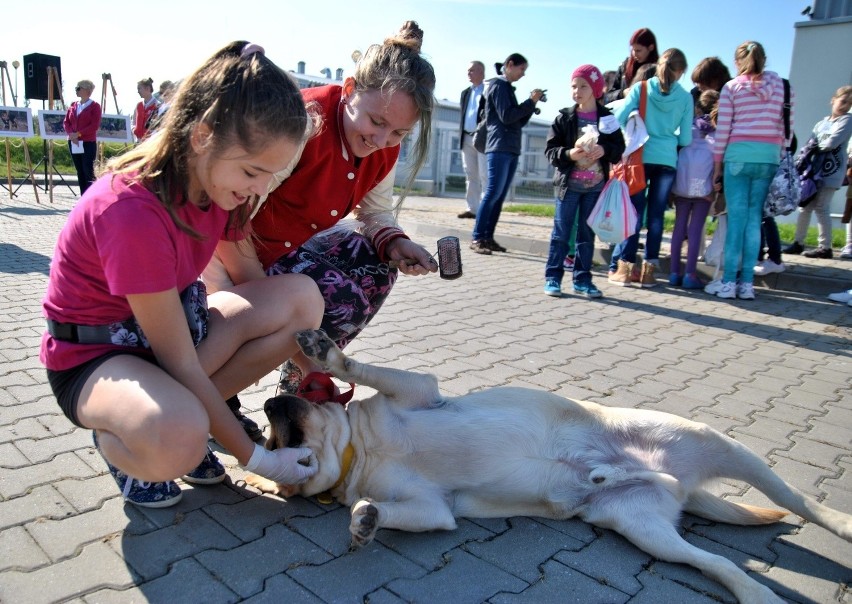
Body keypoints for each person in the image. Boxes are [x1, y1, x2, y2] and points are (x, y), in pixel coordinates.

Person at [40, 41, 322, 508]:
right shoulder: (131, 211)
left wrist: (309, 356)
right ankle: (128, 439)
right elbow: (180, 363)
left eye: (271, 174)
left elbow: (252, 283)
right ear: (201, 137)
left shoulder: (219, 188)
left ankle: (184, 418)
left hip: (171, 336)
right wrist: (256, 458)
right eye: (254, 171)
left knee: (302, 302)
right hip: (96, 357)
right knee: (179, 437)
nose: (260, 189)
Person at [202, 22, 438, 424]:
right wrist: (299, 340)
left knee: (373, 267)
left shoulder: (382, 148)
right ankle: (211, 403)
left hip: (276, 252)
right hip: (218, 255)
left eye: (399, 132)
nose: (382, 140)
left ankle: (295, 386)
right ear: (348, 91)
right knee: (257, 324)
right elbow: (228, 217)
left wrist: (395, 242)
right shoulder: (301, 124)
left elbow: (374, 211)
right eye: (376, 122)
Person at [705, 41, 793, 300]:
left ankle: (729, 282)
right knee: (755, 220)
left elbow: (723, 132)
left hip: (737, 157)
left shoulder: (732, 88)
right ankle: (747, 285)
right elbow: (787, 130)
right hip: (768, 159)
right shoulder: (783, 87)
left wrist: (717, 168)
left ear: (737, 62)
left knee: (736, 222)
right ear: (764, 60)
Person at [609, 48, 693, 287]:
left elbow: (619, 118)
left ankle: (625, 269)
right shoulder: (686, 98)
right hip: (666, 160)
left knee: (634, 213)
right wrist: (669, 140)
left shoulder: (641, 88)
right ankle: (649, 272)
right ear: (682, 71)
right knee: (656, 216)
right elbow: (686, 139)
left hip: (641, 157)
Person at [543, 64, 624, 298]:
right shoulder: (565, 118)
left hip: (595, 189)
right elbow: (551, 151)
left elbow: (619, 149)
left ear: (595, 88)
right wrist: (569, 154)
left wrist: (604, 149)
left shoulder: (607, 118)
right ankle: (553, 278)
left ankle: (582, 280)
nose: (577, 90)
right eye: (573, 86)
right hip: (568, 187)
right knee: (561, 234)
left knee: (586, 236)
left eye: (583, 86)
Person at [470, 53, 545, 255]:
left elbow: (518, 120)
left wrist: (531, 104)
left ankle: (487, 237)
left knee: (499, 195)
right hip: (499, 146)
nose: (523, 74)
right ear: (510, 65)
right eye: (521, 69)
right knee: (493, 192)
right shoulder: (498, 85)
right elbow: (507, 115)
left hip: (510, 147)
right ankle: (477, 237)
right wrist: (530, 101)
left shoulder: (506, 88)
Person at [783, 85, 852, 259]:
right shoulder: (821, 123)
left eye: (849, 103)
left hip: (831, 171)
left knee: (822, 207)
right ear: (833, 100)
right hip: (812, 172)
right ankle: (798, 243)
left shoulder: (847, 120)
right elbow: (809, 143)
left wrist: (816, 146)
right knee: (804, 207)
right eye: (843, 101)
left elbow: (832, 142)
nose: (844, 106)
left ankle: (825, 247)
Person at [669, 90, 718, 289]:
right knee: (696, 230)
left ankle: (673, 273)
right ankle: (690, 274)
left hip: (681, 184)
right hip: (703, 187)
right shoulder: (717, 131)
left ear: (697, 108)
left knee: (678, 228)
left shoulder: (687, 128)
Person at [458, 60, 487, 219]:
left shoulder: (488, 91)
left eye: (472, 70)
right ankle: (472, 209)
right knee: (471, 175)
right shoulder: (465, 93)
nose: (469, 73)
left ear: (481, 73)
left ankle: (484, 211)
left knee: (484, 175)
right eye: (468, 71)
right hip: (466, 138)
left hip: (482, 138)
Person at [63, 80, 102, 196]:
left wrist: (78, 134)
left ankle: (90, 197)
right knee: (79, 171)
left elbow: (94, 125)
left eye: (79, 88)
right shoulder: (73, 105)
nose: (77, 90)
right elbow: (66, 122)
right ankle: (82, 197)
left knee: (87, 171)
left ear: (87, 90)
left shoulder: (94, 106)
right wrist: (71, 134)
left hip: (87, 142)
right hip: (74, 142)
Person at [604, 28, 659, 104]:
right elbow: (609, 95)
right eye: (633, 50)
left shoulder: (661, 69)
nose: (634, 54)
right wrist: (622, 93)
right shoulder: (624, 67)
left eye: (638, 50)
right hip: (625, 113)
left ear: (651, 47)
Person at [132, 77, 160, 142]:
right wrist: (134, 129)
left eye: (139, 89)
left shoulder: (157, 105)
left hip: (150, 143)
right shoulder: (139, 105)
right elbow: (133, 122)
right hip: (138, 142)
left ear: (147, 88)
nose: (138, 91)